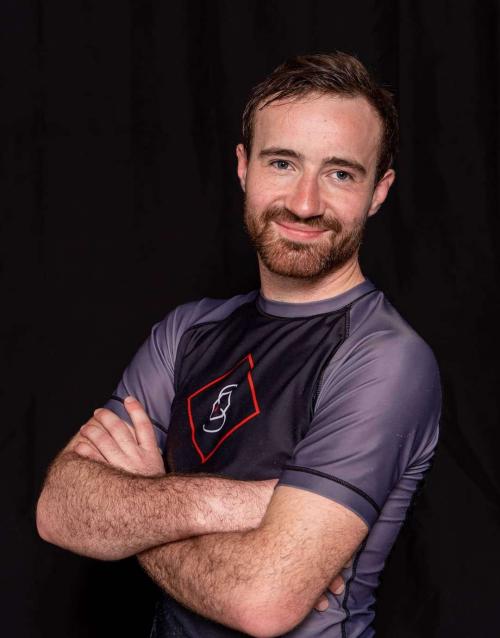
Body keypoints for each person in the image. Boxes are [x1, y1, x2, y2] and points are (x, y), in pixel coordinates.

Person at [36, 51, 441, 637]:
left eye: (340, 174)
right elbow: (60, 510)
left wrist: (140, 502)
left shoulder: (385, 358)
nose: (305, 203)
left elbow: (261, 603)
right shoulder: (186, 332)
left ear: (379, 191)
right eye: (282, 163)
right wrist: (245, 504)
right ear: (243, 167)